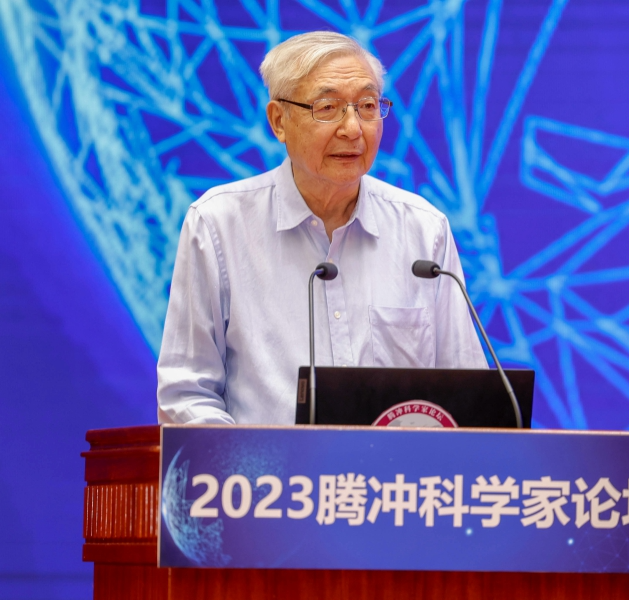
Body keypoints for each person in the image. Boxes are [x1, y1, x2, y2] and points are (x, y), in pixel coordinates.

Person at [157, 31, 487, 425]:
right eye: (328, 107)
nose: (353, 128)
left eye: (367, 106)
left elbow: (470, 396)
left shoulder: (423, 229)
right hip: (266, 465)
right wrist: (250, 460)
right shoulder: (219, 224)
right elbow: (186, 394)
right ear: (279, 121)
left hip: (397, 465)